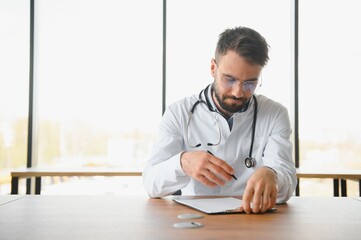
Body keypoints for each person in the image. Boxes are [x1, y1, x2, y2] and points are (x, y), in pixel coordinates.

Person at [143, 26, 297, 214]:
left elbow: (287, 186)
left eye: (250, 83)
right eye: (229, 79)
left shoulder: (275, 114)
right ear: (213, 68)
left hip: (254, 220)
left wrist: (273, 174)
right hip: (197, 221)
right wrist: (182, 163)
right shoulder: (179, 113)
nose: (238, 92)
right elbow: (151, 184)